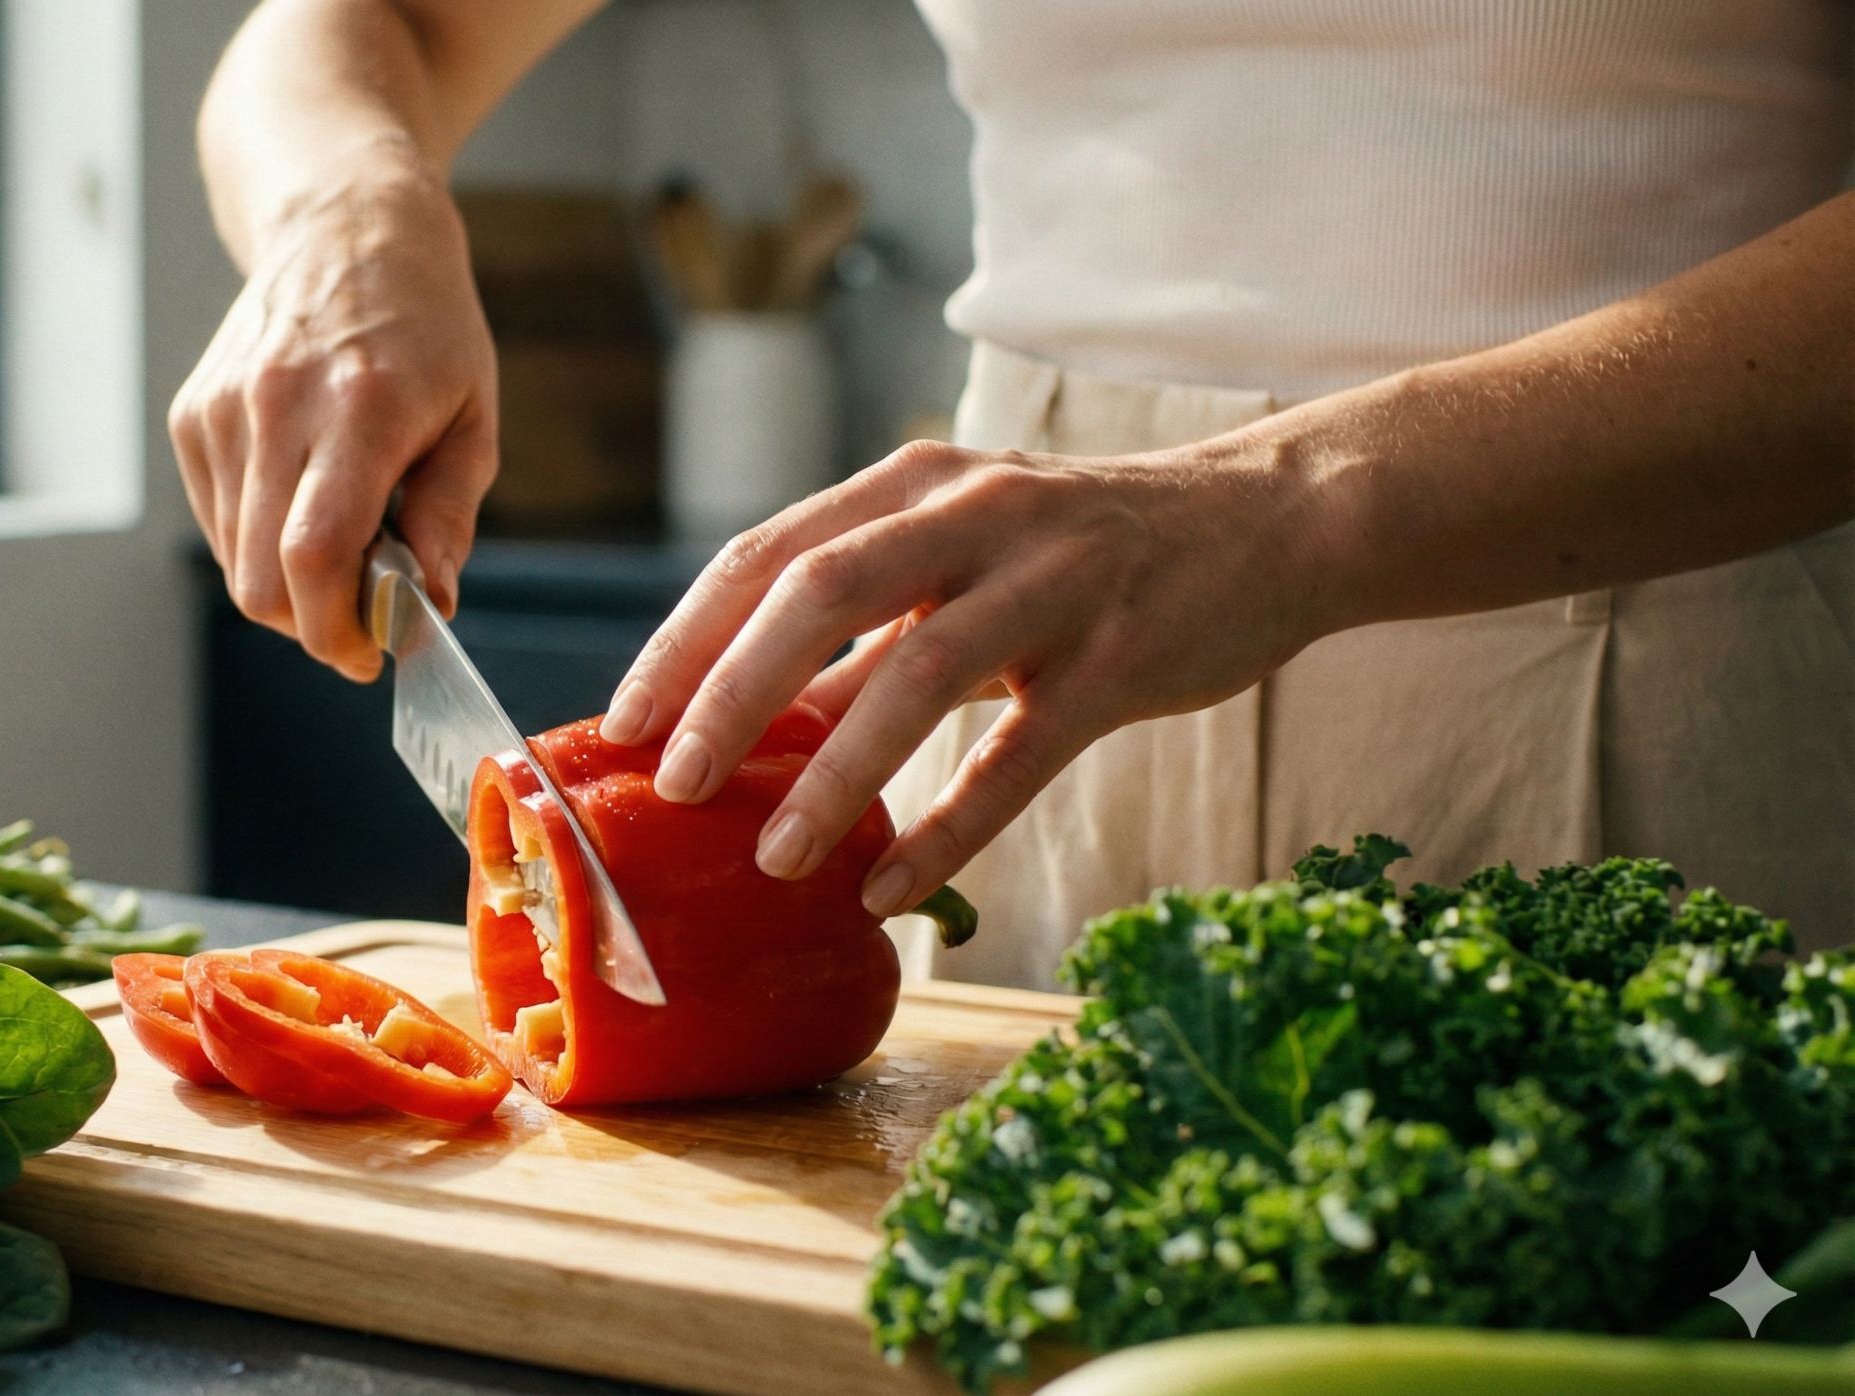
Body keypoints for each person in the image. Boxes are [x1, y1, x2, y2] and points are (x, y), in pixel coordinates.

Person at [172, 0, 1855, 988]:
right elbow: (351, 30)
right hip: (1017, 680)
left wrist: (1288, 502)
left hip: (1661, 583)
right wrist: (343, 209)